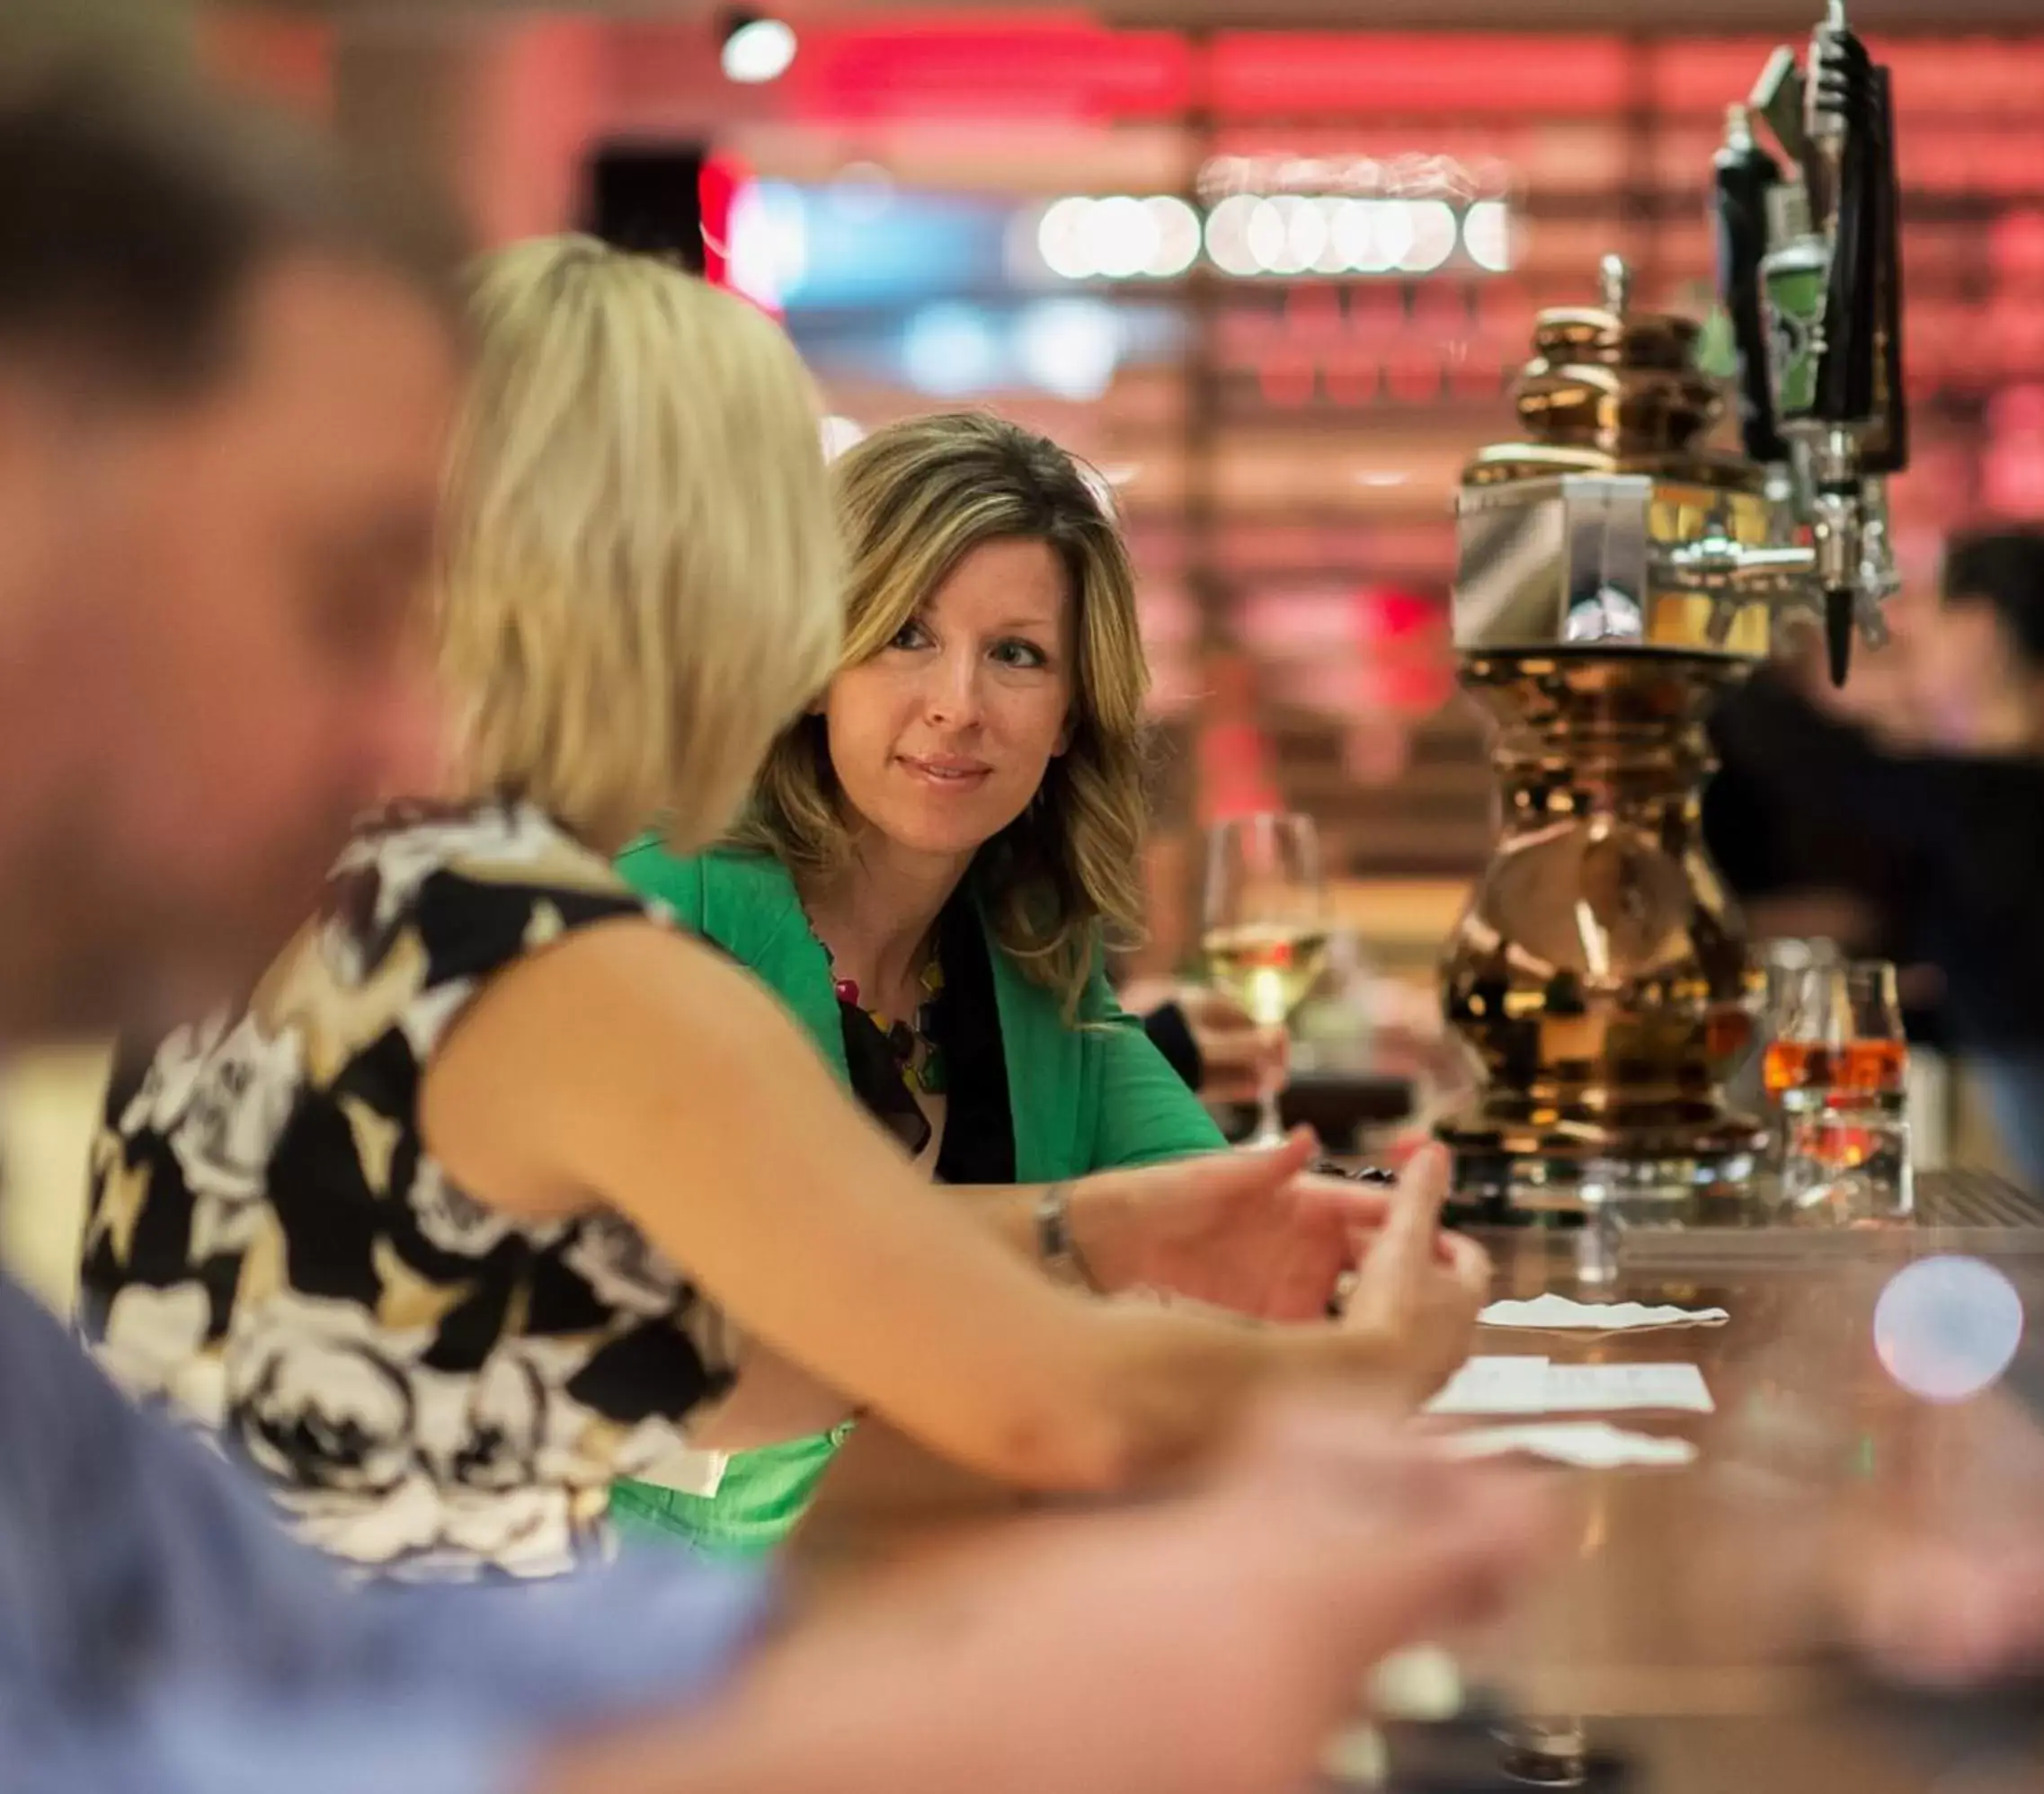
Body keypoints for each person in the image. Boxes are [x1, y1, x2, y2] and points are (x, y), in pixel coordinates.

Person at [0, 55, 1545, 1794]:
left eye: (1013, 657)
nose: (909, 680)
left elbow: (739, 1347)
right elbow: (1033, 1402)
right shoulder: (529, 946)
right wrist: (1367, 1374)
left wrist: (1089, 1228)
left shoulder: (368, 903)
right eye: (855, 605)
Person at [609, 411, 1361, 1553]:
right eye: (906, 635)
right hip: (599, 1612)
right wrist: (1094, 1237)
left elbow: (1216, 1221)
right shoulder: (669, 902)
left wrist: (1360, 1241)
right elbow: (728, 1297)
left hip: (913, 1579)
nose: (959, 703)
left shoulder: (1031, 953)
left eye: (1016, 654)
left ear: (1068, 715)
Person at [1707, 531, 2044, 1329]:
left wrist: (1719, 638)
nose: (1914, 634)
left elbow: (1812, 763)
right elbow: (1992, 1003)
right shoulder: (2035, 797)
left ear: (1983, 630)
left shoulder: (1998, 801)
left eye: (1935, 609)